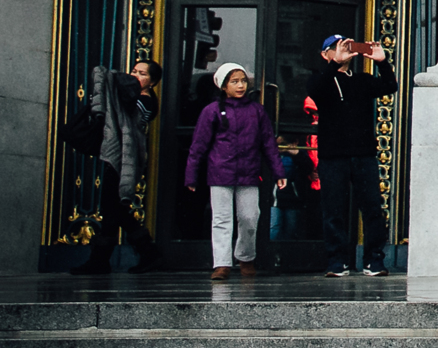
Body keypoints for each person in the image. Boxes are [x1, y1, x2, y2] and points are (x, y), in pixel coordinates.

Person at [184, 62, 286, 280]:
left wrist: (279, 172)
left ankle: (246, 257)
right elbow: (199, 146)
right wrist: (191, 175)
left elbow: (269, 143)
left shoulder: (256, 111)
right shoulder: (211, 111)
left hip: (249, 172)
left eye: (243, 81)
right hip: (220, 173)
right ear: (223, 86)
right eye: (234, 82)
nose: (240, 86)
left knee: (250, 217)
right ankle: (222, 264)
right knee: (221, 219)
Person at [308, 35, 396, 276]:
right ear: (325, 54)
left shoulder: (362, 80)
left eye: (348, 47)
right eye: (337, 48)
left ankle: (373, 260)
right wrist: (335, 63)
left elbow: (390, 86)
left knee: (372, 208)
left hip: (363, 154)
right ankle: (338, 261)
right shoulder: (322, 79)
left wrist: (381, 62)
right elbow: (315, 90)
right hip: (333, 156)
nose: (344, 51)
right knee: (334, 209)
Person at [71, 59, 166, 274]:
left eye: (142, 73)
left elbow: (130, 117)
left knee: (114, 208)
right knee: (113, 209)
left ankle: (140, 255)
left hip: (127, 159)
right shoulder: (130, 95)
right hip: (117, 156)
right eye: (133, 70)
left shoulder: (146, 101)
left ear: (152, 82)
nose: (135, 75)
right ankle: (112, 259)